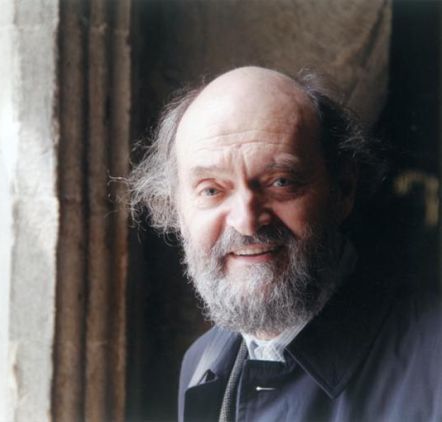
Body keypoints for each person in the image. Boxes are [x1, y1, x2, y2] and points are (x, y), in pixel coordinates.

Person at [129, 67, 442, 421]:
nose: (247, 221)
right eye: (212, 190)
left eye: (280, 181)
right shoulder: (202, 362)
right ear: (175, 208)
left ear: (343, 189)